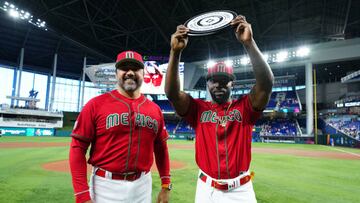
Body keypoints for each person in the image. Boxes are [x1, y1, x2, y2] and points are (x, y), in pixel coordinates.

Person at [165, 15, 274, 202]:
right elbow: (172, 93)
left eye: (224, 81)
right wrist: (175, 53)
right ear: (207, 83)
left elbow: (265, 85)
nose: (219, 85)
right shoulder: (198, 109)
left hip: (241, 190)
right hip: (206, 188)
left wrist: (249, 43)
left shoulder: (245, 107)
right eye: (214, 80)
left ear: (232, 84)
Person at [69, 50, 172, 203]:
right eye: (124, 68)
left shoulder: (154, 109)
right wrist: (82, 195)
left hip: (143, 185)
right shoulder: (95, 105)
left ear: (143, 73)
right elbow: (77, 148)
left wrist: (166, 185)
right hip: (105, 186)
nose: (130, 72)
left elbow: (161, 148)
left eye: (135, 68)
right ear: (116, 73)